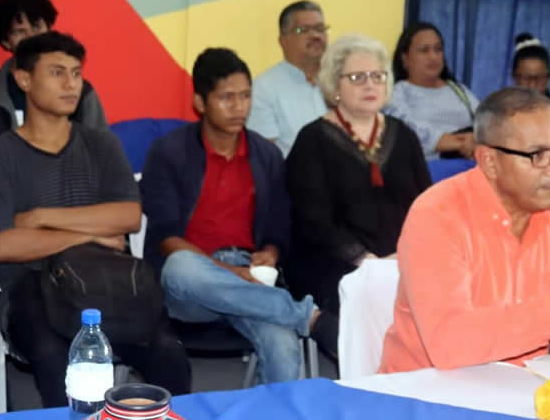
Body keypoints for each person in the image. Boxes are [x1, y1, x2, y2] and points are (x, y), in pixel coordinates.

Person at [0, 32, 190, 406]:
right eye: (57, 73)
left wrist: (41, 218)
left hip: (110, 281)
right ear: (24, 79)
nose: (72, 84)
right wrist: (90, 234)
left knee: (169, 354)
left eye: (76, 73)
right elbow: (1, 245)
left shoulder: (101, 144)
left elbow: (127, 215)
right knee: (59, 360)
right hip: (33, 287)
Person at [379, 87, 550, 373]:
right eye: (539, 155)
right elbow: (449, 345)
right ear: (490, 162)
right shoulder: (437, 215)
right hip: (425, 391)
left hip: (525, 389)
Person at [141, 48, 324, 384]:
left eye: (245, 96)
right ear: (200, 102)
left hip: (249, 281)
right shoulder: (169, 153)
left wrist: (271, 252)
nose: (239, 107)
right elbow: (167, 240)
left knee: (283, 348)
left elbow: (279, 227)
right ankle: (304, 315)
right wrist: (231, 273)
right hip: (190, 284)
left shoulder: (266, 155)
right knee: (182, 266)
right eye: (226, 98)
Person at [286, 35, 431, 356]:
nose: (370, 84)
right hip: (333, 262)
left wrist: (404, 257)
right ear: (334, 85)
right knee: (371, 295)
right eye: (357, 77)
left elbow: (428, 207)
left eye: (378, 76)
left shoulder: (403, 136)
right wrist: (368, 263)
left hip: (399, 258)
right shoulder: (312, 140)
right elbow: (314, 222)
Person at [0, 0, 108, 192]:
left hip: (71, 202)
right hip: (4, 205)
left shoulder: (78, 90)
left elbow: (99, 157)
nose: (31, 37)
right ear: (5, 41)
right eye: (20, 32)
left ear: (49, 30)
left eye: (37, 27)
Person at [384, 22, 479, 161]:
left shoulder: (458, 89)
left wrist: (475, 140)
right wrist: (457, 143)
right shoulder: (395, 94)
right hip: (426, 173)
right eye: (424, 50)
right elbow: (406, 131)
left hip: (469, 169)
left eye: (438, 49)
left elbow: (487, 123)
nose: (433, 57)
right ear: (405, 59)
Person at [246, 0, 329, 156]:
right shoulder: (264, 89)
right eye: (304, 30)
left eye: (320, 29)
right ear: (283, 41)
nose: (316, 35)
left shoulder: (341, 81)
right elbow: (264, 157)